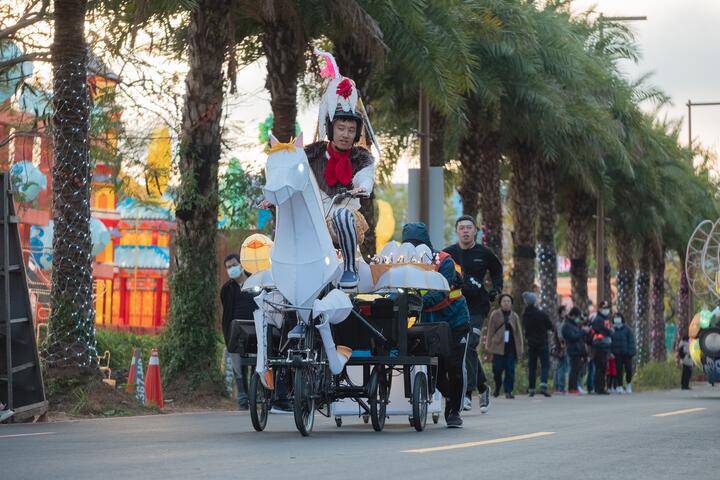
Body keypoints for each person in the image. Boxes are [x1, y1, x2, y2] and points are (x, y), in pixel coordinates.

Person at [258, 50, 378, 291]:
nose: (345, 134)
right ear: (331, 128)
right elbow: (291, 174)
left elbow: (367, 176)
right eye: (341, 127)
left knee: (342, 216)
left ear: (356, 132)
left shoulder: (362, 157)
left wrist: (363, 187)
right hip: (313, 221)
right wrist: (274, 198)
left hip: (342, 219)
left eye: (350, 129)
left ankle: (348, 269)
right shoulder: (311, 153)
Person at [402, 222, 470, 428]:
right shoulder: (404, 262)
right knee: (436, 370)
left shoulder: (443, 262)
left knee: (455, 367)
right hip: (431, 324)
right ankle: (450, 397)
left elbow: (441, 291)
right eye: (409, 244)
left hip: (455, 320)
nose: (413, 247)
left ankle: (454, 412)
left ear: (426, 244)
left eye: (416, 243)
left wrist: (416, 304)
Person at [443, 214, 503, 413]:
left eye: (469, 227)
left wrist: (497, 289)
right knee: (463, 348)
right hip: (455, 307)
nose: (466, 231)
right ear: (457, 231)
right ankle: (483, 387)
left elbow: (497, 270)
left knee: (469, 344)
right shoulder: (448, 253)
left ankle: (467, 393)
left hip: (477, 307)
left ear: (476, 230)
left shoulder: (484, 253)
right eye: (462, 228)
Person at [220, 253, 255, 410]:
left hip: (254, 329)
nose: (232, 269)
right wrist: (227, 336)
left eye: (234, 265)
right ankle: (242, 396)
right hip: (235, 331)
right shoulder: (227, 289)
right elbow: (227, 314)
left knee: (256, 363)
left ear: (241, 265)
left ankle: (256, 395)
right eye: (228, 267)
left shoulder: (255, 282)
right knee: (238, 364)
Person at [486, 293, 524, 399]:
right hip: (498, 348)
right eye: (504, 301)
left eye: (508, 301)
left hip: (511, 349)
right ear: (500, 303)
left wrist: (520, 348)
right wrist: (488, 345)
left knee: (510, 371)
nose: (506, 303)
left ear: (511, 303)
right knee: (496, 370)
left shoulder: (514, 316)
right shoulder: (495, 314)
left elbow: (518, 333)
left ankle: (508, 391)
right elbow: (490, 331)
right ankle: (498, 387)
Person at [521, 292, 553, 397]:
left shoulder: (525, 315)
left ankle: (531, 389)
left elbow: (525, 328)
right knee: (545, 365)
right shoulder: (541, 314)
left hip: (531, 344)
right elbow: (550, 326)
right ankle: (543, 386)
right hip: (542, 342)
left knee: (532, 366)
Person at [563, 307, 589, 394]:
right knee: (574, 369)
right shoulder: (567, 325)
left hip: (578, 350)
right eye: (577, 317)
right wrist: (582, 332)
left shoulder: (574, 325)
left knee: (577, 369)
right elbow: (573, 337)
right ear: (573, 315)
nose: (578, 319)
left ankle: (575, 387)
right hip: (572, 350)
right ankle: (572, 388)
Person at [591, 300, 613, 394]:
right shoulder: (598, 319)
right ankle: (599, 388)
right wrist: (610, 331)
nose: (606, 310)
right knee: (600, 367)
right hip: (599, 345)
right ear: (600, 309)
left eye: (607, 308)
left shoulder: (605, 319)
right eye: (604, 308)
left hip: (604, 346)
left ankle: (600, 387)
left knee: (603, 367)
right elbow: (602, 330)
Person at [611, 312, 635, 394]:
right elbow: (610, 341)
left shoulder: (627, 329)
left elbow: (631, 341)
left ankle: (628, 384)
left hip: (627, 354)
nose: (617, 319)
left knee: (628, 370)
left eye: (618, 317)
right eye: (615, 317)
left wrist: (631, 352)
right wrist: (611, 352)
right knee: (618, 370)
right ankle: (619, 385)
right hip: (617, 354)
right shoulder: (612, 329)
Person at [552, 305, 569, 394]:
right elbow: (560, 337)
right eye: (565, 311)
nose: (566, 313)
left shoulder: (559, 322)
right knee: (562, 367)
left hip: (559, 347)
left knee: (560, 367)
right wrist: (563, 348)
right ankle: (560, 388)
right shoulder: (561, 323)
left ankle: (558, 387)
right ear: (562, 312)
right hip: (562, 348)